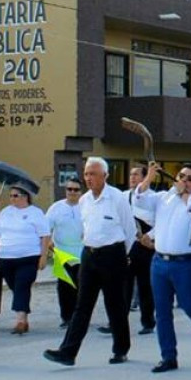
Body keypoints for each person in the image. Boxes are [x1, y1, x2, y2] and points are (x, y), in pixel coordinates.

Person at [44, 157, 136, 367]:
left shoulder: (117, 198)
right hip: (89, 254)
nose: (89, 178)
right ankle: (67, 352)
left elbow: (129, 231)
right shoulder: (84, 201)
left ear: (105, 176)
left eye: (93, 174)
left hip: (113, 254)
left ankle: (121, 349)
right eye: (86, 174)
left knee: (115, 305)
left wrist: (123, 256)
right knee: (82, 305)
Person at [134, 162, 191, 373]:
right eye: (182, 176)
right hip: (160, 262)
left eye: (190, 178)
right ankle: (168, 356)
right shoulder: (165, 197)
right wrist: (149, 177)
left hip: (186, 263)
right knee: (162, 312)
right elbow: (140, 200)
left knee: (190, 306)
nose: (184, 181)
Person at [0, 184, 50, 335]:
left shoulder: (35, 213)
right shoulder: (5, 212)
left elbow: (45, 235)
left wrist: (43, 256)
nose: (12, 199)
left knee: (22, 285)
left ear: (25, 197)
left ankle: (19, 320)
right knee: (15, 286)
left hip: (28, 256)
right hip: (6, 256)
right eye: (10, 196)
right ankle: (23, 317)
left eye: (15, 195)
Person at [46, 178, 84, 328]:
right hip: (62, 253)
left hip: (83, 252)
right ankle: (67, 317)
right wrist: (48, 243)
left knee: (82, 286)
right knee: (64, 286)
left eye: (76, 189)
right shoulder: (56, 208)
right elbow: (46, 227)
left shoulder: (86, 206)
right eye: (70, 189)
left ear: (81, 192)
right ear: (65, 190)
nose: (72, 192)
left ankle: (80, 316)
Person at [124, 164, 157, 335]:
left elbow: (160, 221)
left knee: (145, 286)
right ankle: (118, 321)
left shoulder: (154, 197)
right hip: (128, 246)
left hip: (146, 246)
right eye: (131, 175)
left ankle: (148, 321)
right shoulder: (122, 197)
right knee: (124, 287)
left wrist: (149, 237)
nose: (132, 178)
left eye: (136, 175)